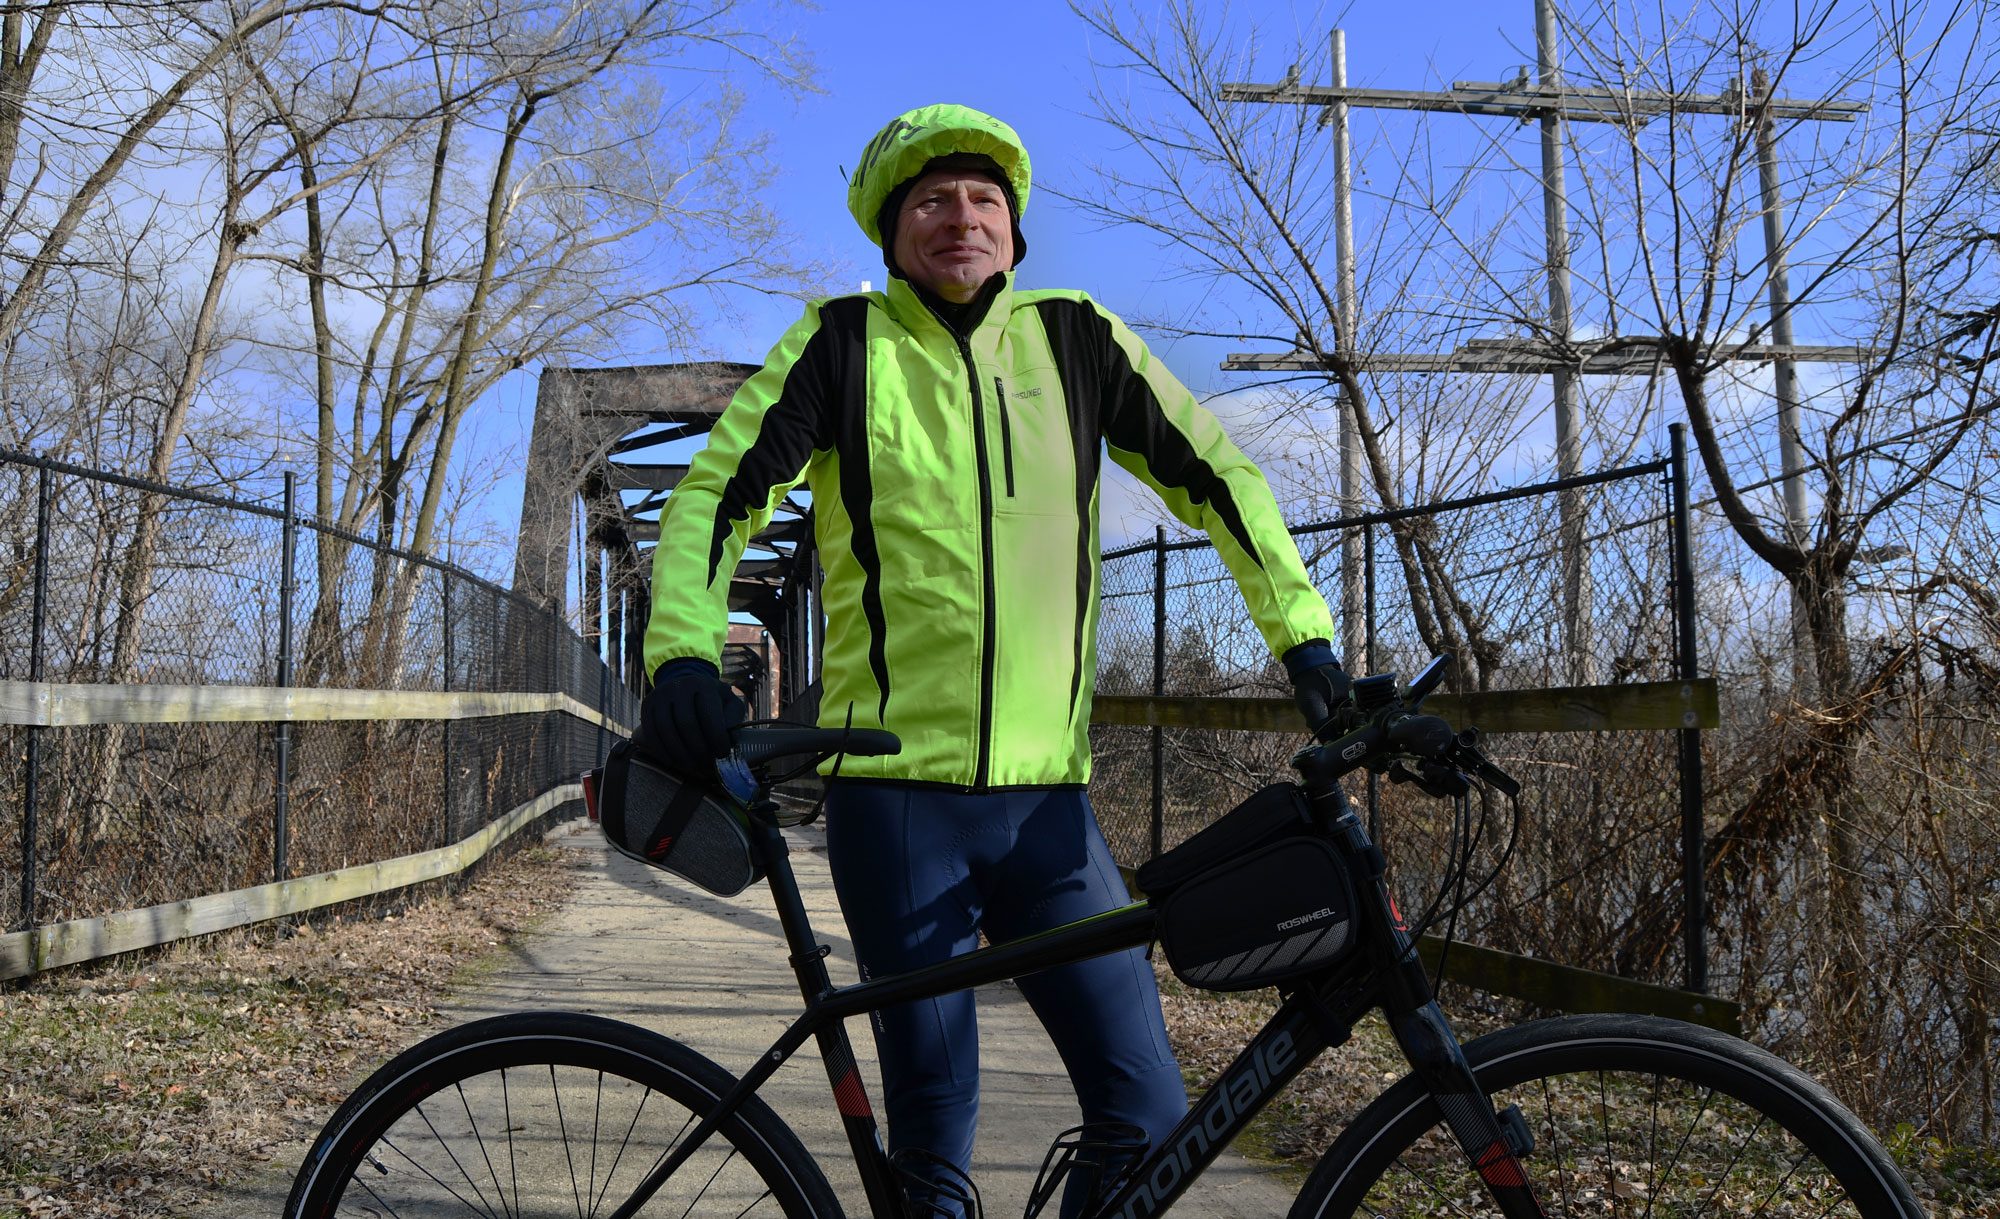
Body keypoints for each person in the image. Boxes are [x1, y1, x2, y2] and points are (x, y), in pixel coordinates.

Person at [638, 103, 1350, 1217]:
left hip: (1047, 806)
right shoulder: (842, 344)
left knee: (1147, 1111)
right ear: (890, 232)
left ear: (1013, 231)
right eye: (930, 200)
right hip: (897, 800)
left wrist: (1303, 637)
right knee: (934, 1128)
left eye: (983, 199)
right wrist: (681, 649)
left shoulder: (1076, 339)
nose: (960, 217)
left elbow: (1220, 479)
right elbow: (714, 499)